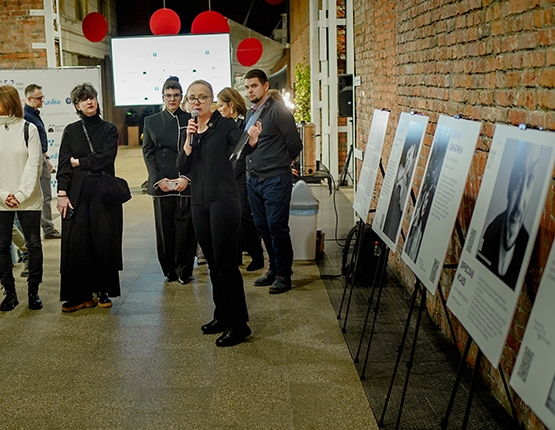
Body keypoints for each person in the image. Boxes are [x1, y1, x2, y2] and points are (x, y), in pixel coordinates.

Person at [178, 79, 261, 347]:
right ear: (187, 102)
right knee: (212, 264)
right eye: (193, 98)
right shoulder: (190, 130)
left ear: (211, 100)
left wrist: (252, 141)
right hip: (199, 204)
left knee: (226, 265)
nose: (197, 102)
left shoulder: (223, 125)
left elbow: (241, 146)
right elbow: (183, 166)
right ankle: (222, 314)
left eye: (203, 97)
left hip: (224, 201)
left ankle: (239, 324)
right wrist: (188, 145)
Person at [56, 82, 122, 312]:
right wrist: (62, 193)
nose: (89, 102)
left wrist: (81, 162)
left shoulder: (109, 128)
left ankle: (103, 289)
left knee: (103, 240)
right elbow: (64, 161)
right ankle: (80, 294)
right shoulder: (71, 130)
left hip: (103, 192)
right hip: (76, 192)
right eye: (84, 99)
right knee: (77, 243)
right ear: (77, 105)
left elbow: (107, 157)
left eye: (91, 97)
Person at [243, 69, 303, 294]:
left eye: (254, 86)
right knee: (262, 226)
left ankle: (283, 274)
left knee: (277, 226)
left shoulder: (279, 110)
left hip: (275, 179)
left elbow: (295, 145)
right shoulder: (251, 113)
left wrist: (280, 163)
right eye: (247, 87)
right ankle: (273, 268)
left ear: (265, 86)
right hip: (254, 179)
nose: (250, 90)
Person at [143, 76, 197, 284]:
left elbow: (196, 152)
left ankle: (185, 270)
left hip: (184, 180)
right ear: (163, 97)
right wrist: (157, 179)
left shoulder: (191, 120)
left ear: (181, 97)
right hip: (161, 182)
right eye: (168, 96)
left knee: (185, 228)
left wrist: (187, 177)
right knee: (164, 229)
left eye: (176, 95)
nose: (172, 99)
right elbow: (148, 152)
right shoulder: (152, 121)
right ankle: (169, 270)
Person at [0, 84, 44, 311]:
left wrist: (19, 194)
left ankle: (33, 292)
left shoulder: (28, 128)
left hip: (28, 198)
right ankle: (9, 292)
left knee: (34, 245)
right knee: (2, 246)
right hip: (0, 200)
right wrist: (3, 195)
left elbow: (34, 165)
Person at [476, 141, 541, 290]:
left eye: (530, 178)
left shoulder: (527, 245)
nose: (519, 203)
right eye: (519, 178)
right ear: (510, 185)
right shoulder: (491, 231)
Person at [217, 87, 264, 271]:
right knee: (231, 218)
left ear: (231, 104)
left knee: (244, 216)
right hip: (228, 176)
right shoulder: (222, 124)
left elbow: (245, 151)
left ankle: (257, 256)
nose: (219, 109)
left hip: (243, 175)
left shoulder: (246, 122)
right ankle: (235, 256)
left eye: (221, 105)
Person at [24, 84, 62, 239]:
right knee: (43, 196)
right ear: (28, 99)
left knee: (45, 195)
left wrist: (46, 157)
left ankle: (47, 227)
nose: (42, 101)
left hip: (41, 156)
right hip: (34, 159)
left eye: (42, 97)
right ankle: (47, 228)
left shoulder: (34, 114)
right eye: (38, 98)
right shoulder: (26, 116)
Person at [382, 137, 418, 242]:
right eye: (408, 155)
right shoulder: (400, 180)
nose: (408, 159)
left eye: (411, 156)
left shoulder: (404, 181)